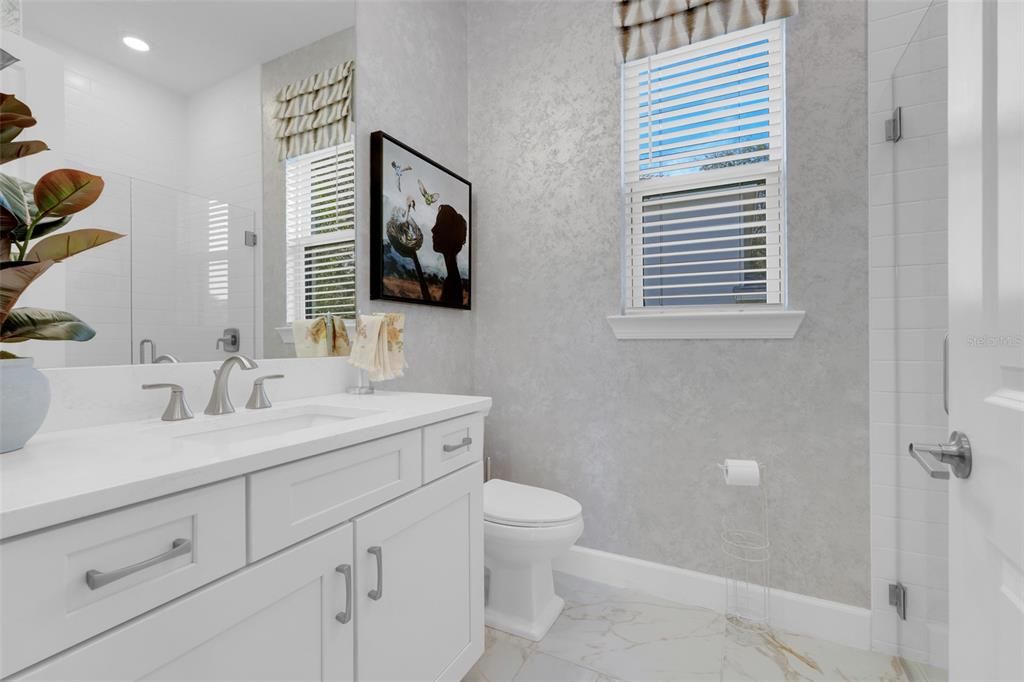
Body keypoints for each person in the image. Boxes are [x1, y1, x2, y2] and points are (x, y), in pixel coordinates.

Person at [430, 204, 468, 306]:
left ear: (449, 234)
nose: (433, 230)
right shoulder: (453, 280)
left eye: (439, 225)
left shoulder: (453, 284)